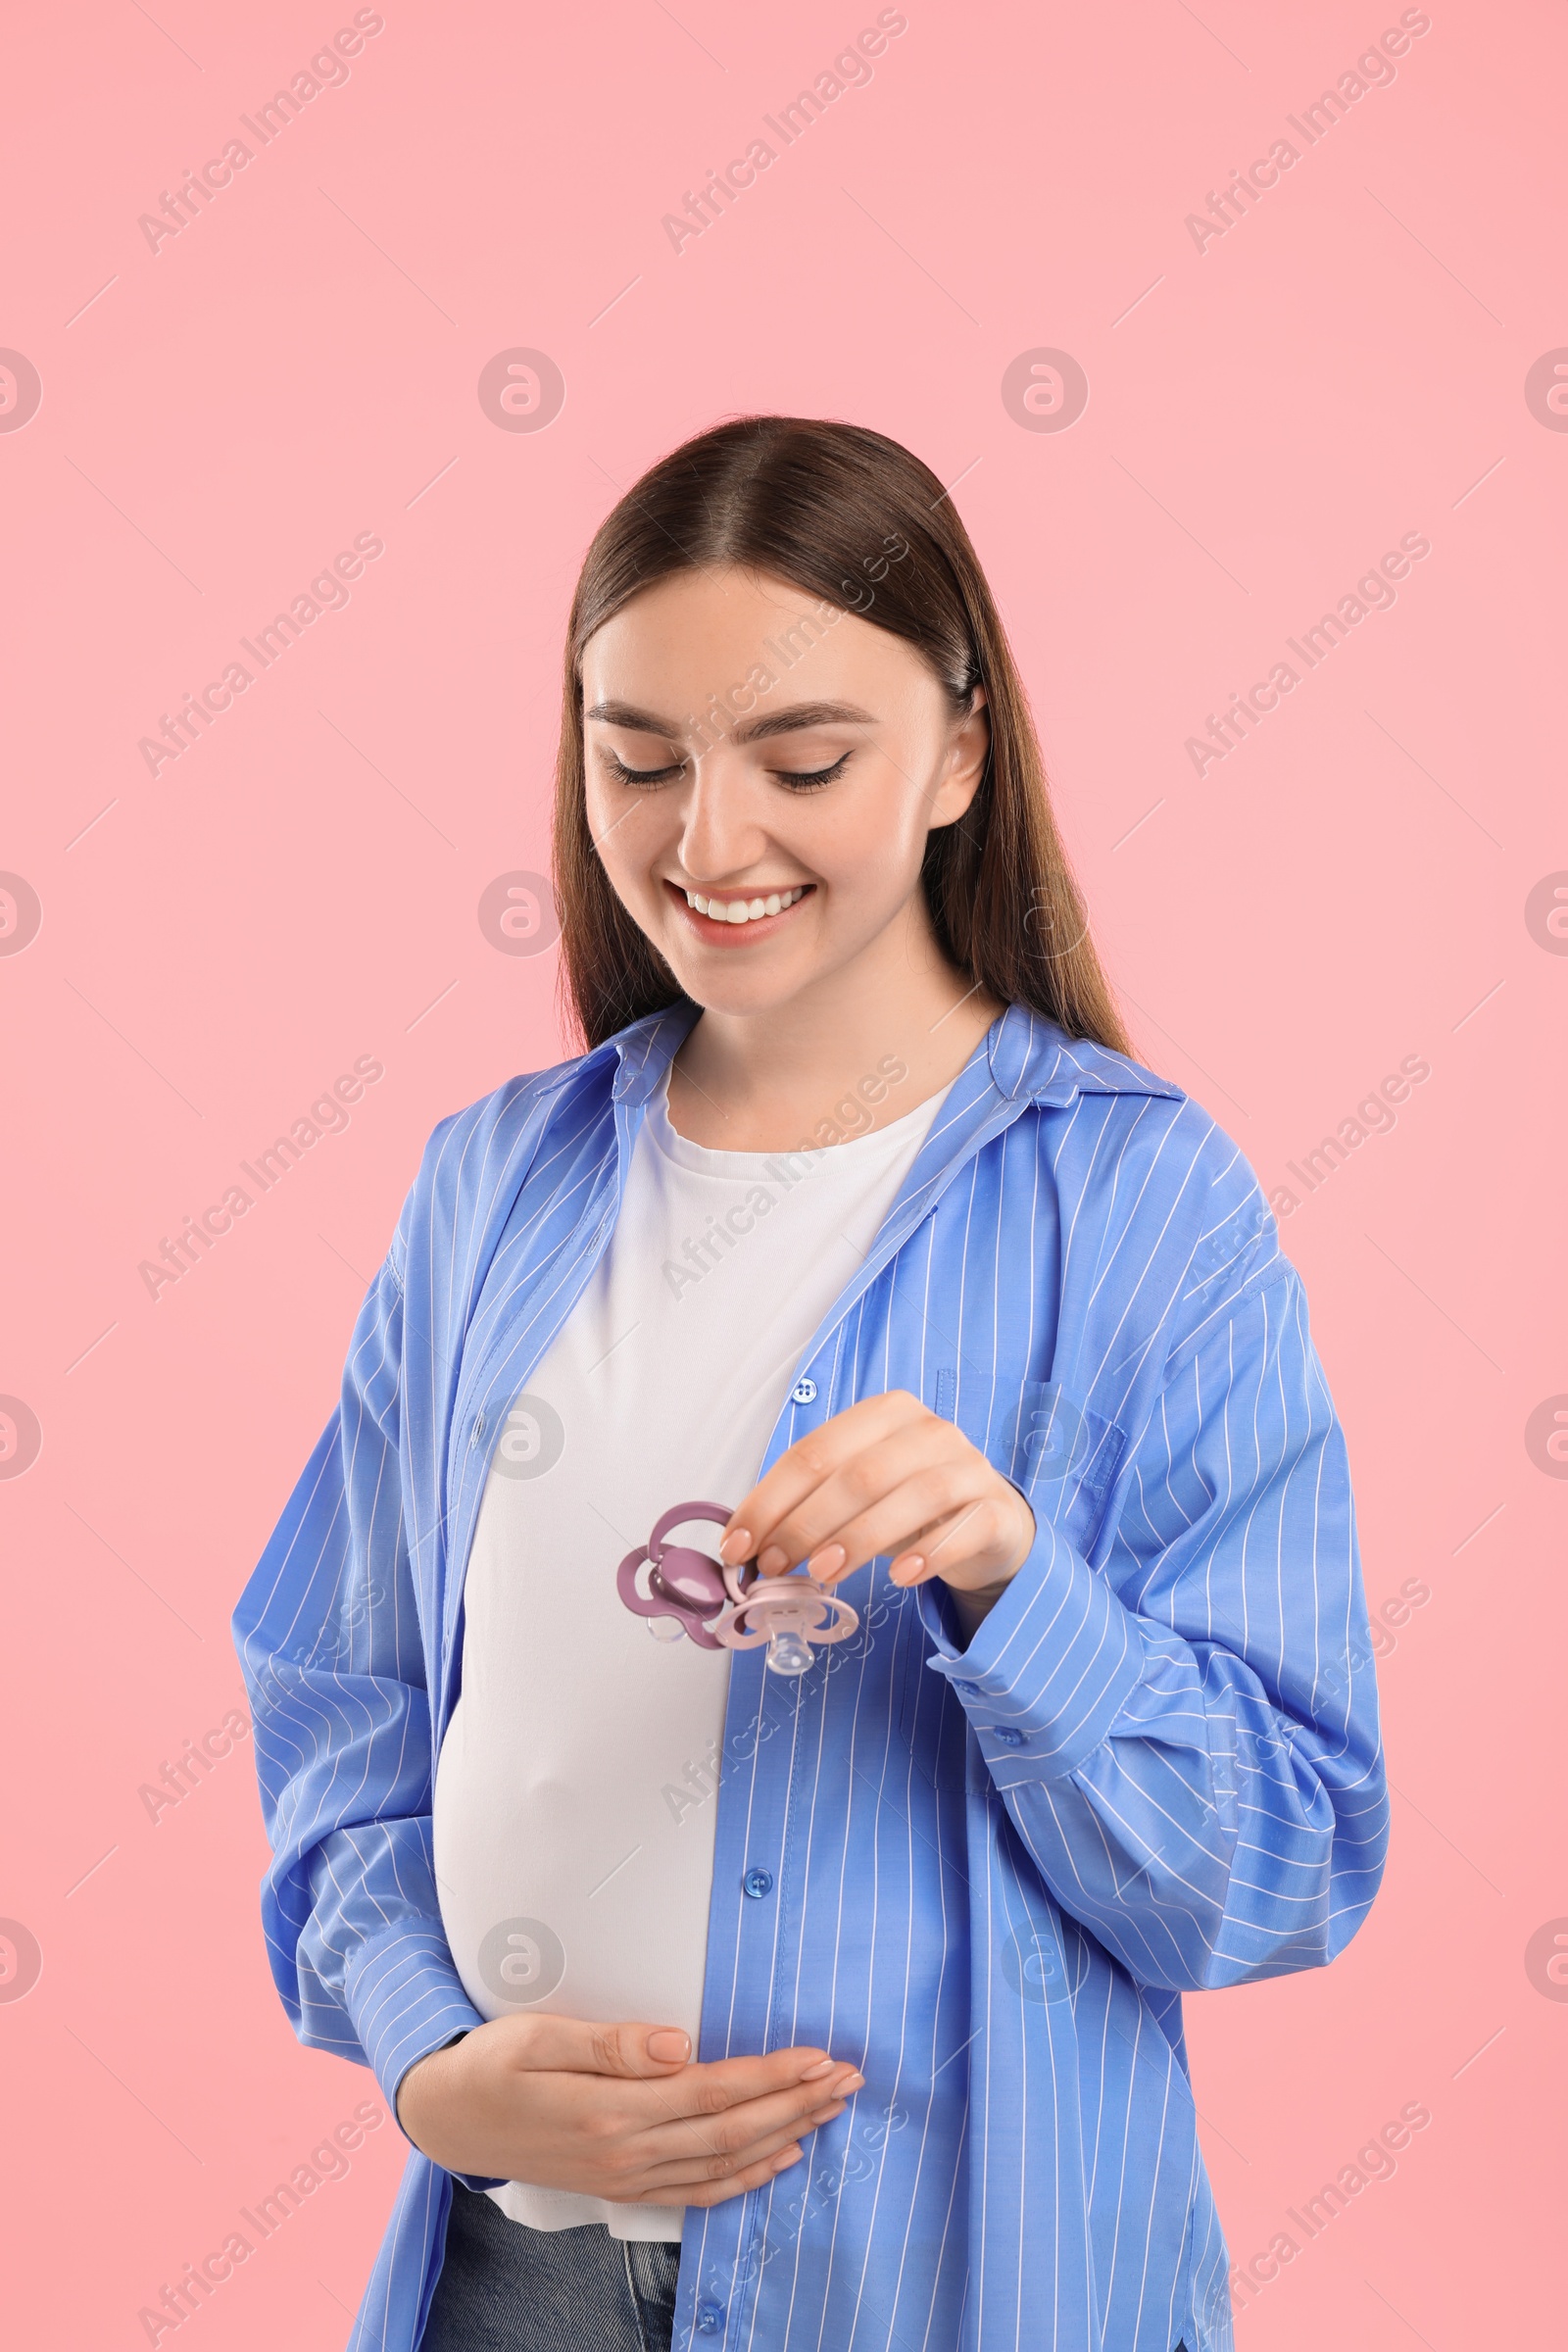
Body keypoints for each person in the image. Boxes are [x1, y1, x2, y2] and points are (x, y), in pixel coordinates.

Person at [232, 416, 1388, 2352]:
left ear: (954, 752)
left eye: (802, 760)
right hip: (513, 2288)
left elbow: (1278, 1864)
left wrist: (1021, 1592)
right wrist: (430, 2061)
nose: (706, 843)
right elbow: (340, 1722)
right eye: (637, 759)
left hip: (951, 2283)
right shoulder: (487, 1187)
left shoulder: (1138, 1204)